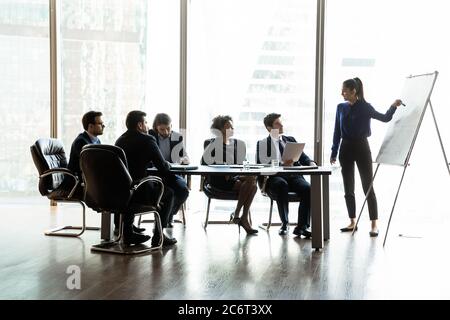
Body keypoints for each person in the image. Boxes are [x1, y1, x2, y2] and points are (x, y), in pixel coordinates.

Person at [330, 77, 403, 237]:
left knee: (367, 186)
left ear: (353, 91)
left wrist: (392, 106)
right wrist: (333, 152)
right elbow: (336, 131)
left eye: (345, 90)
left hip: (362, 147)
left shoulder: (365, 107)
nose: (342, 93)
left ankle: (374, 224)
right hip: (345, 148)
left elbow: (385, 118)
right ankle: (352, 221)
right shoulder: (340, 107)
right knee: (348, 187)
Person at [115, 110, 177, 247]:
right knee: (169, 194)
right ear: (140, 125)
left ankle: (128, 233)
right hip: (139, 191)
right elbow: (163, 168)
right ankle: (159, 236)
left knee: (131, 187)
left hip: (119, 192)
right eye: (146, 123)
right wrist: (167, 163)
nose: (148, 126)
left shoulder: (119, 140)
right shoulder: (148, 140)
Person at [256, 113, 315, 237]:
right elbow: (262, 164)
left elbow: (303, 157)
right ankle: (285, 223)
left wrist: (311, 162)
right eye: (277, 123)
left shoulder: (290, 140)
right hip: (274, 178)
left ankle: (302, 227)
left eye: (281, 122)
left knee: (308, 189)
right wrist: (282, 163)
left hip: (293, 176)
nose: (281, 125)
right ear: (269, 128)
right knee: (281, 185)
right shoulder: (262, 144)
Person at [201, 115, 258, 235]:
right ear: (220, 129)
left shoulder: (237, 144)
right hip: (218, 180)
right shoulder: (210, 144)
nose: (232, 128)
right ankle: (242, 218)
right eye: (228, 126)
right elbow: (204, 163)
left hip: (234, 177)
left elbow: (243, 163)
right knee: (253, 186)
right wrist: (222, 166)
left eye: (233, 126)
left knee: (252, 179)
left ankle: (238, 214)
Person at [149, 113, 190, 227]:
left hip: (172, 173)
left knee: (183, 190)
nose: (166, 132)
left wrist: (184, 159)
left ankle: (167, 215)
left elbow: (184, 156)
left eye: (168, 128)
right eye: (162, 129)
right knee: (162, 191)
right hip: (155, 174)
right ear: (156, 127)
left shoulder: (177, 137)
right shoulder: (150, 137)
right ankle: (165, 218)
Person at [65, 111, 104, 199]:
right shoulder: (81, 142)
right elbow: (90, 165)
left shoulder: (96, 141)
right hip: (76, 182)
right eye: (100, 124)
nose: (103, 126)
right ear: (90, 126)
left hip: (87, 179)